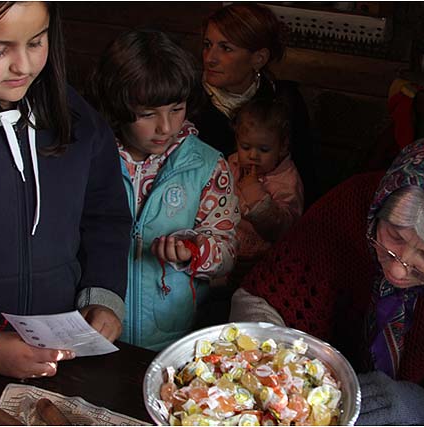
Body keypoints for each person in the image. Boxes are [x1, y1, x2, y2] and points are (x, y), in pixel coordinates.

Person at [230, 135, 424, 424]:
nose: (399, 271)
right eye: (394, 237)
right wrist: (274, 361)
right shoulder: (353, 203)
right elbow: (261, 299)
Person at [0, 2, 132, 424]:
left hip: (55, 371)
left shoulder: (72, 115)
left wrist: (103, 294)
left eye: (37, 41)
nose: (24, 65)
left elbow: (105, 215)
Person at [87, 30, 240, 351]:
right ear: (117, 105)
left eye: (176, 108)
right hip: (93, 328)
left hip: (173, 337)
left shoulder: (207, 166)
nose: (166, 127)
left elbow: (226, 249)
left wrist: (194, 250)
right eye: (147, 114)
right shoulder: (91, 158)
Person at [192, 2, 318, 206]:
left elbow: (306, 178)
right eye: (207, 45)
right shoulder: (189, 100)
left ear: (258, 58)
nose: (210, 58)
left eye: (225, 48)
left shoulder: (283, 100)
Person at [228, 97, 304, 281]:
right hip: (225, 245)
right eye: (245, 147)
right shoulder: (232, 164)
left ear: (282, 147)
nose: (253, 156)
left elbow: (282, 229)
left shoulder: (286, 181)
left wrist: (254, 191)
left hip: (261, 260)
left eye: (264, 149)